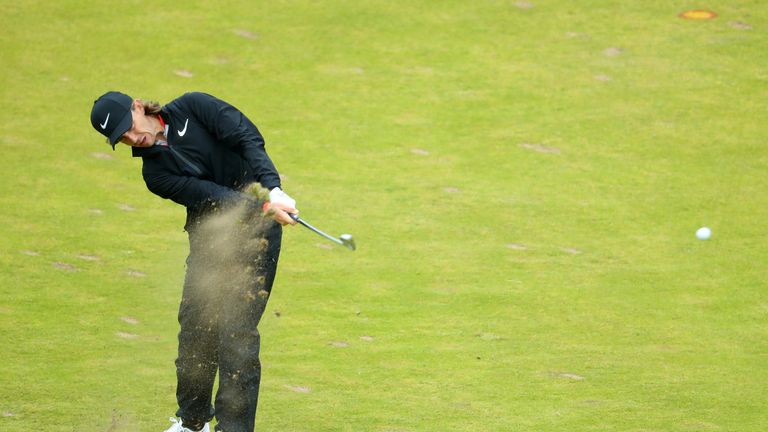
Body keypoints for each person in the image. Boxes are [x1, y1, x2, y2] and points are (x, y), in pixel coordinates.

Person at [90, 91, 298, 432]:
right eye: (121, 138)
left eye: (128, 126)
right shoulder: (154, 174)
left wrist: (273, 190)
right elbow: (212, 196)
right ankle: (192, 422)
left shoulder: (194, 107)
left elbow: (247, 137)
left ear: (138, 107)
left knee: (236, 333)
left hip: (259, 235)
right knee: (196, 329)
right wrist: (262, 205)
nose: (131, 138)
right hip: (210, 241)